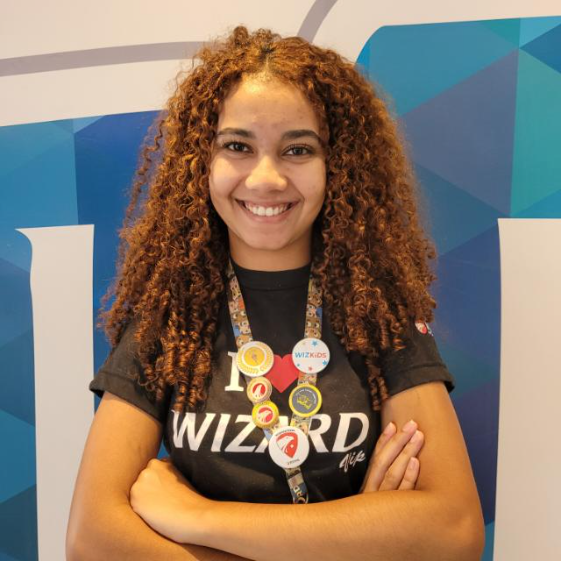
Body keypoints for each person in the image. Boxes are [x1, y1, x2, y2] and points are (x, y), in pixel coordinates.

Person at [66, 26, 484, 560]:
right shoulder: (169, 319)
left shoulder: (375, 313)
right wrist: (357, 539)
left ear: (337, 165)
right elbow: (92, 539)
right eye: (237, 146)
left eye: (298, 149)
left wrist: (198, 518)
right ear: (202, 161)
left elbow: (454, 531)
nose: (266, 179)